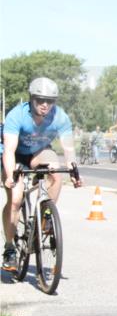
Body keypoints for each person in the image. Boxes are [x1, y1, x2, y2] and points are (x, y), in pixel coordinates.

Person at [2, 78, 83, 270]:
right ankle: (9, 247)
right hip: (16, 155)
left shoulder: (61, 117)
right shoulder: (16, 116)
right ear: (31, 99)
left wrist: (74, 171)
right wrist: (9, 176)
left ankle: (46, 213)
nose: (45, 105)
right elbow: (9, 150)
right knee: (15, 199)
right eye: (40, 100)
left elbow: (68, 149)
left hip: (38, 152)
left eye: (50, 100)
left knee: (55, 170)